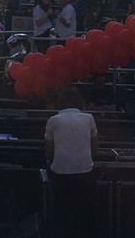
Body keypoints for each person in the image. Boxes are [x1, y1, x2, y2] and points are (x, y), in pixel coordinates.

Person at [44, 87, 98, 238]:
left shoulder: (52, 121)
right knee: (86, 211)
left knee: (62, 211)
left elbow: (48, 152)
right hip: (85, 172)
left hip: (60, 173)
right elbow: (94, 147)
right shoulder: (89, 118)